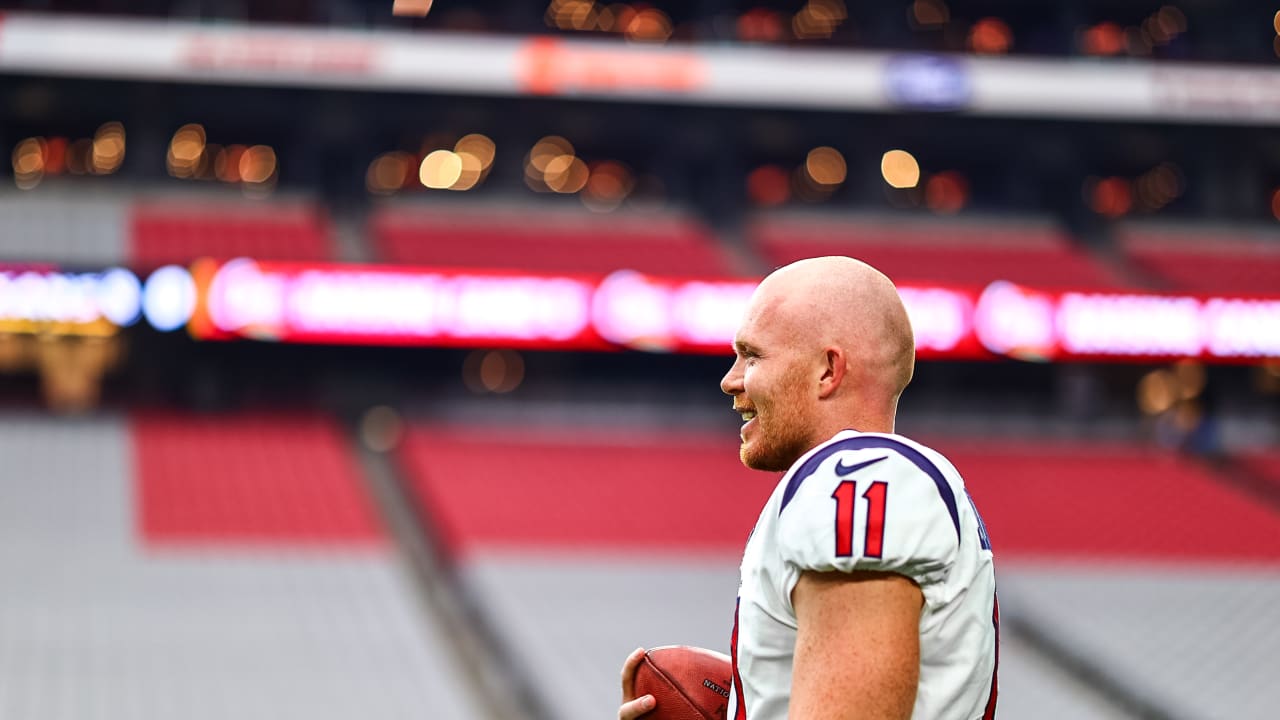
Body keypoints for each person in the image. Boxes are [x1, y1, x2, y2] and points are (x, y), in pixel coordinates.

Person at [618, 256, 998, 719]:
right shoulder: (876, 477)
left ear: (827, 371)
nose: (730, 380)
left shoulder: (859, 475)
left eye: (752, 356)